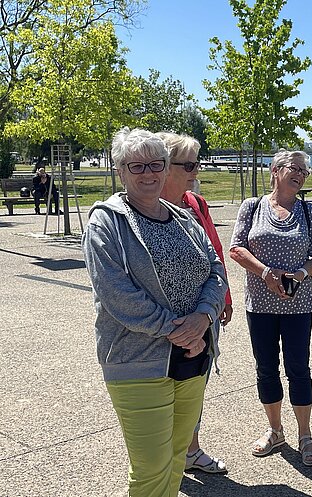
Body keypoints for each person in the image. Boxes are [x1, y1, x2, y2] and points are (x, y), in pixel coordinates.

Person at [82, 128, 228, 496]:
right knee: (150, 468)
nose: (148, 173)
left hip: (192, 358)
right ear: (120, 171)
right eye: (137, 166)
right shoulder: (106, 222)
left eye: (156, 164)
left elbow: (215, 270)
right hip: (138, 361)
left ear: (165, 168)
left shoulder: (183, 217)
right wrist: (180, 331)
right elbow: (116, 294)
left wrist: (203, 318)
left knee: (177, 457)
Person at [229, 150, 312, 466]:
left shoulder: (308, 212)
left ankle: (305, 435)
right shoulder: (252, 207)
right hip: (260, 305)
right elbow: (236, 248)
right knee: (266, 368)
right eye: (294, 168)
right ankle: (275, 430)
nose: (300, 174)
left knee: (298, 368)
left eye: (304, 171)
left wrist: (299, 275)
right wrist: (266, 274)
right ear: (275, 170)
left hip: (297, 305)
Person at [158, 131, 233, 475]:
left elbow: (215, 251)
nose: (196, 171)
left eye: (196, 164)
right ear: (165, 167)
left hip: (202, 314)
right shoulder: (145, 207)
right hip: (164, 321)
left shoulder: (196, 203)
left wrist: (223, 299)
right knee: (162, 390)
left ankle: (190, 450)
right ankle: (165, 459)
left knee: (195, 383)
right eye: (188, 165)